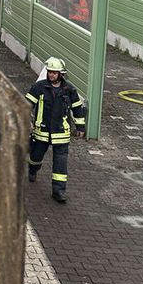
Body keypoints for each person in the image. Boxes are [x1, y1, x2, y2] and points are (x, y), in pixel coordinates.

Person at [25, 57, 86, 204]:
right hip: (42, 131)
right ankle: (33, 169)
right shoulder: (39, 87)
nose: (51, 74)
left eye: (54, 72)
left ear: (61, 74)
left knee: (60, 163)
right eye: (50, 72)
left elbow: (77, 109)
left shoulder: (69, 90)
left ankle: (59, 191)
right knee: (35, 156)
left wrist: (80, 127)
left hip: (61, 133)